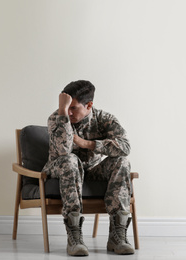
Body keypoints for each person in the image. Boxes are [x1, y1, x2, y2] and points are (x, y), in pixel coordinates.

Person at [42, 80, 134, 256]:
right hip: (60, 167)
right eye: (66, 107)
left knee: (122, 162)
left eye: (73, 108)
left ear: (89, 105)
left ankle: (118, 235)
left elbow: (125, 147)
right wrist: (62, 112)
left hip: (92, 169)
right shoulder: (57, 118)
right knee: (70, 160)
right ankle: (75, 237)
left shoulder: (104, 119)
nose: (69, 112)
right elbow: (61, 150)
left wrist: (89, 144)